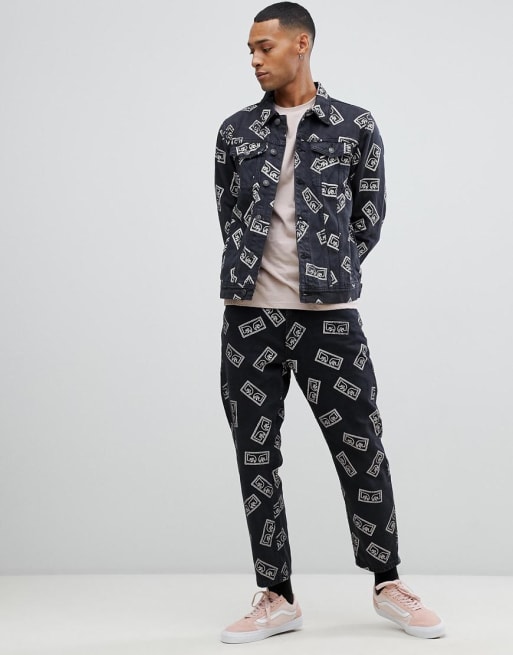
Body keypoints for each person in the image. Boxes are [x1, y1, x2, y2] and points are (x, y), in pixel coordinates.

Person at [214, 2, 444, 644]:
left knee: (361, 446)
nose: (254, 59)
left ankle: (388, 582)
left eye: (264, 47)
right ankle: (277, 595)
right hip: (248, 319)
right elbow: (230, 215)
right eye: (249, 50)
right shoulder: (235, 131)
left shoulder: (354, 125)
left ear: (302, 44)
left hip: (329, 319)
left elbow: (368, 216)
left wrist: (329, 272)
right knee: (256, 455)